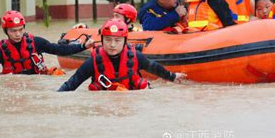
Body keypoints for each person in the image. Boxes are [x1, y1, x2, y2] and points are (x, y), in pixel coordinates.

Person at [58, 19, 187, 91]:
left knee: (144, 86)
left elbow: (154, 68)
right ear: (102, 40)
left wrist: (172, 76)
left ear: (125, 41)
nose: (112, 45)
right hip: (106, 108)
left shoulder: (136, 57)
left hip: (131, 106)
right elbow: (71, 84)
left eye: (117, 40)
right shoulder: (93, 62)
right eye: (108, 40)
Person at [0, 10, 94, 79]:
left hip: (37, 79)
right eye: (13, 31)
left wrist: (83, 46)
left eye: (20, 30)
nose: (18, 34)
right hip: (14, 85)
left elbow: (58, 49)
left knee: (57, 74)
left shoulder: (36, 42)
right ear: (6, 31)